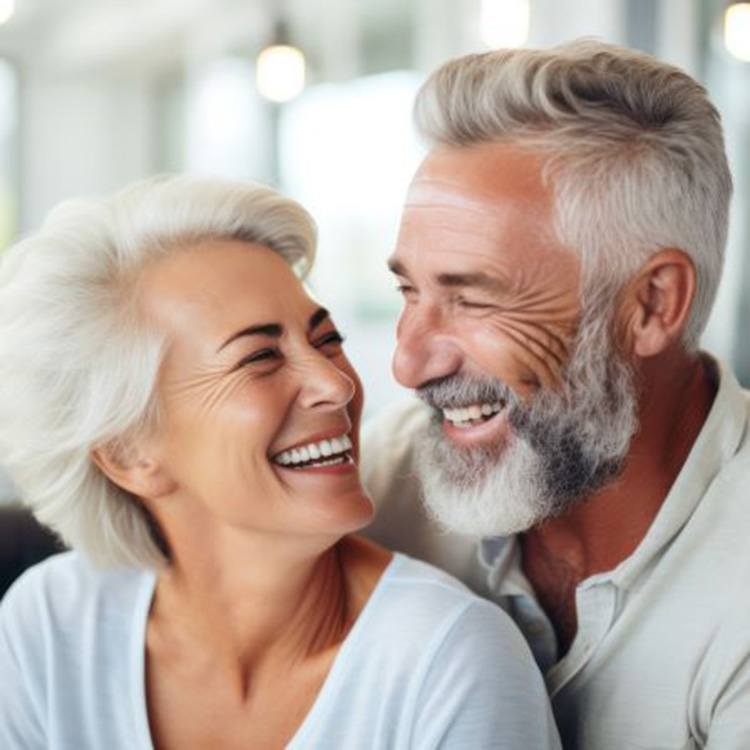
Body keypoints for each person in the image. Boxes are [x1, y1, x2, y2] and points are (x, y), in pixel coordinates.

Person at [0, 176, 560, 749]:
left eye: (326, 339)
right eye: (261, 357)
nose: (335, 384)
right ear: (128, 453)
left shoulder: (448, 659)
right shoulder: (49, 625)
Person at [362, 40, 750, 749]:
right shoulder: (384, 482)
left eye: (472, 299)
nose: (408, 362)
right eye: (408, 290)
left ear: (652, 306)